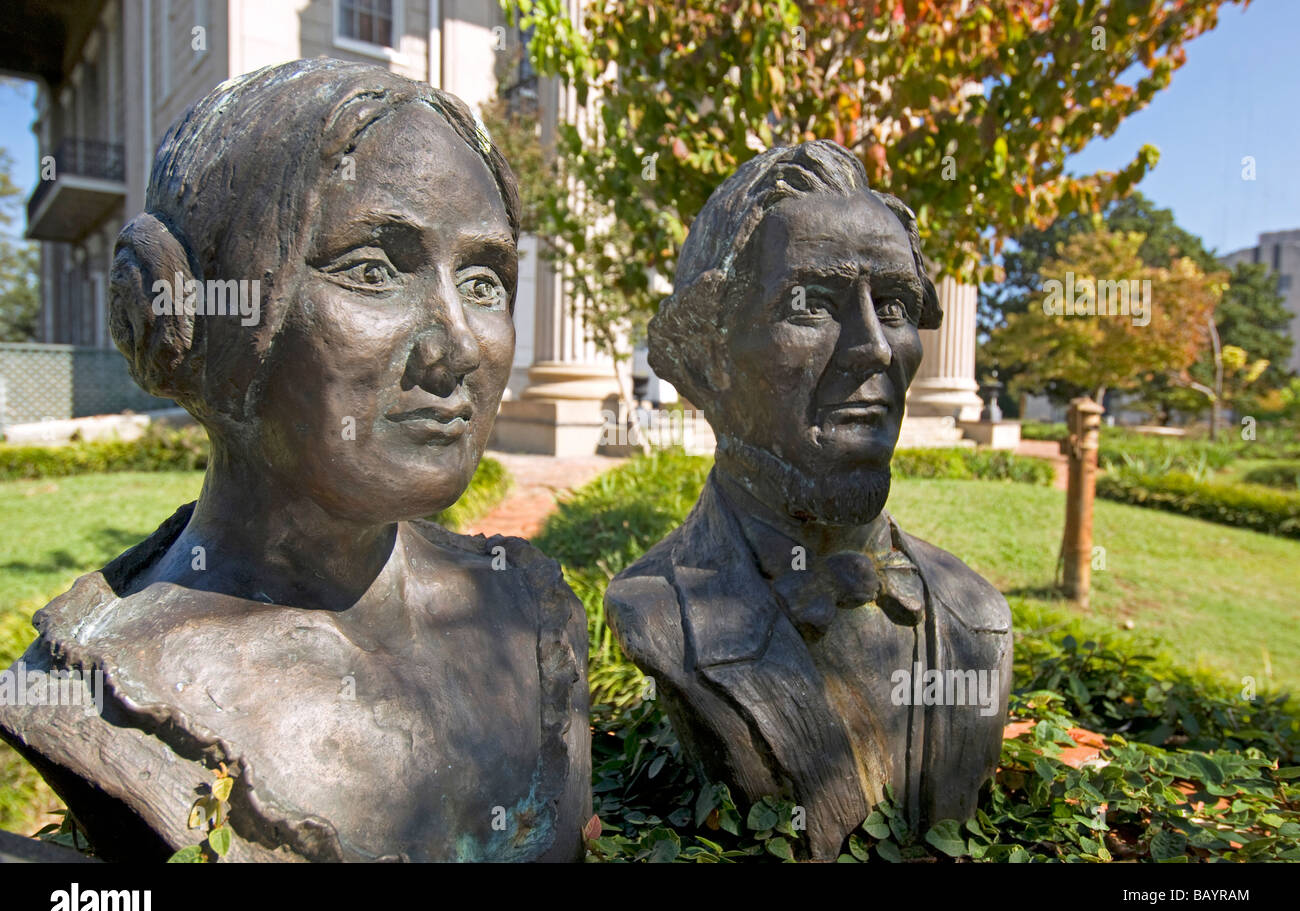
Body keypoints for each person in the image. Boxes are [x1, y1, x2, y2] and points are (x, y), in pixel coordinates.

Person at [0, 59, 589, 862]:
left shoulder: (531, 617)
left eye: (484, 280)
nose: (458, 342)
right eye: (374, 270)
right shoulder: (92, 690)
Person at [605, 141, 1012, 861]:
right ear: (710, 356)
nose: (875, 349)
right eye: (813, 304)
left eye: (892, 304)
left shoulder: (975, 616)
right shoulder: (656, 609)